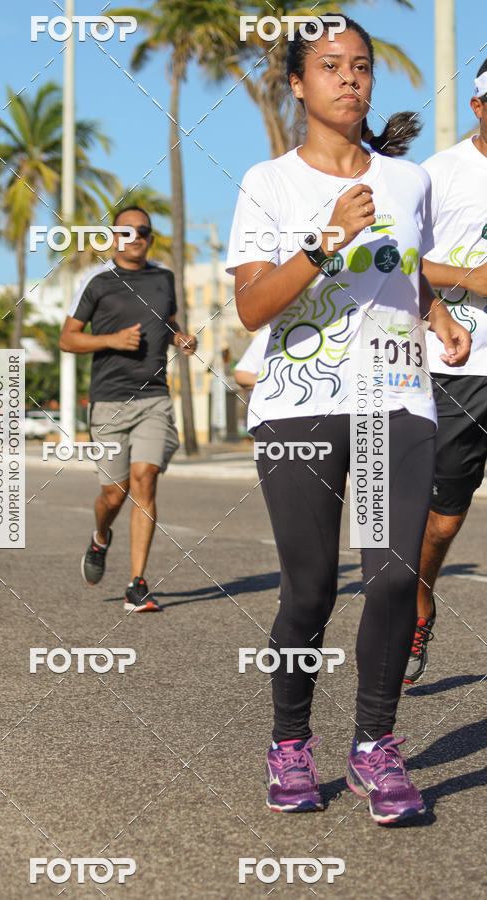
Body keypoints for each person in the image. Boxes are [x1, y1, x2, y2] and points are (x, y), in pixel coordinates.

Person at [227, 16, 470, 824]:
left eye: (360, 67)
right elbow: (251, 307)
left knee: (397, 574)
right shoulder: (268, 183)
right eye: (330, 67)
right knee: (310, 589)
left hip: (396, 396)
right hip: (299, 403)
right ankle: (290, 741)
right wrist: (325, 244)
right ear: (297, 84)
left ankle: (375, 745)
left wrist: (435, 312)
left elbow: (402, 265)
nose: (350, 79)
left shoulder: (408, 182)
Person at [60, 206, 196, 611]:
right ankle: (101, 536)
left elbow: (166, 322)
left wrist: (180, 338)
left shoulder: (164, 279)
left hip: (153, 396)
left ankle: (137, 583)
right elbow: (68, 339)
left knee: (145, 478)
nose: (135, 236)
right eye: (126, 231)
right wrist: (112, 341)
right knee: (113, 495)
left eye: (143, 231)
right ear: (112, 237)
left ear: (150, 238)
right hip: (108, 402)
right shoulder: (97, 282)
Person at [404, 60, 487, 683]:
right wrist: (471, 280)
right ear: (480, 108)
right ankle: (419, 599)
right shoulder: (441, 173)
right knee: (443, 521)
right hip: (461, 365)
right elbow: (396, 259)